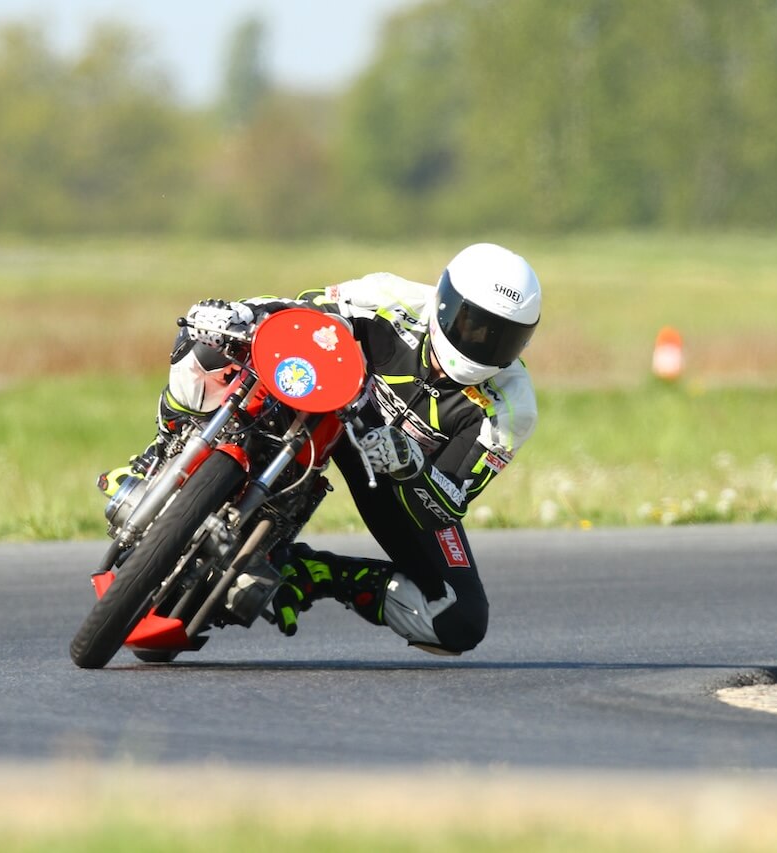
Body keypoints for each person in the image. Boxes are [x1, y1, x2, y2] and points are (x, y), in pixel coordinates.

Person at [100, 243, 540, 655]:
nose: (480, 341)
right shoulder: (389, 297)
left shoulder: (511, 407)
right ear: (445, 302)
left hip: (393, 481)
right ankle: (160, 452)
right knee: (209, 348)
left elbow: (450, 502)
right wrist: (243, 312)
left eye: (501, 337)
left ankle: (317, 574)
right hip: (323, 408)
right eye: (472, 323)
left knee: (460, 620)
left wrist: (410, 465)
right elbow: (300, 315)